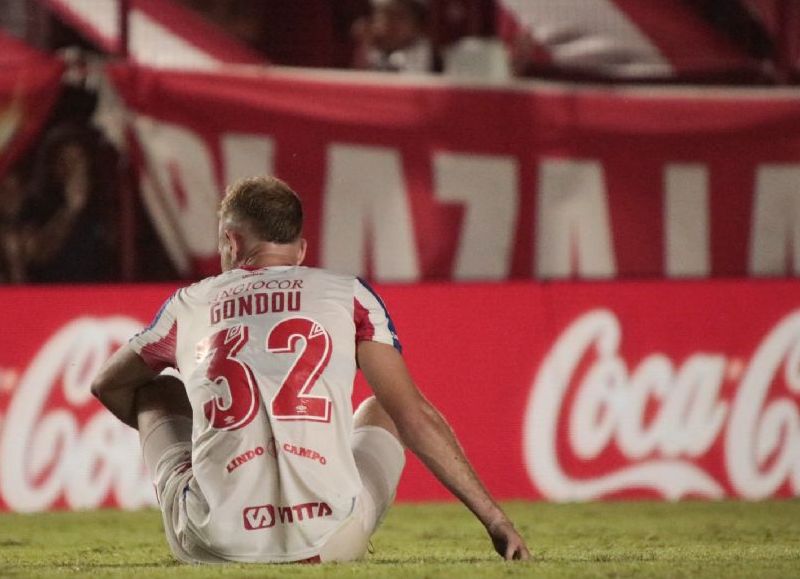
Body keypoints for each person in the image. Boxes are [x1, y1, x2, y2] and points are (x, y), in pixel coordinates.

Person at [91, 176, 530, 564]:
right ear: (300, 249)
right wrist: (495, 519)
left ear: (231, 241)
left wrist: (203, 441)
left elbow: (107, 384)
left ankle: (213, 491)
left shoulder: (191, 304)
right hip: (327, 542)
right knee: (387, 407)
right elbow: (414, 416)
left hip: (214, 541)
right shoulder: (347, 294)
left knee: (155, 392)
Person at [352, 0, 439, 73]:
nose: (390, 23)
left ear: (417, 24)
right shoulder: (367, 50)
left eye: (399, 16)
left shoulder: (430, 55)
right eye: (384, 15)